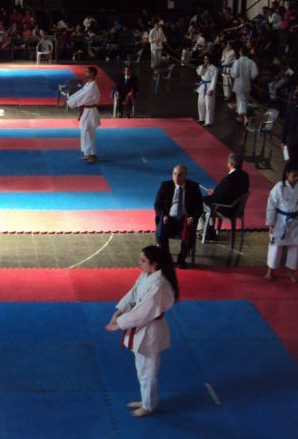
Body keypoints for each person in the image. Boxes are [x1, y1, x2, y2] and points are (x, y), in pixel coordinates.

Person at [104, 245, 178, 418]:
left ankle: (149, 406)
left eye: (143, 260)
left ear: (155, 263)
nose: (139, 263)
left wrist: (119, 324)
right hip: (142, 328)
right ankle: (146, 400)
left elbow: (143, 312)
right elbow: (133, 293)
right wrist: (119, 311)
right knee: (142, 368)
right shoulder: (147, 275)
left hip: (151, 331)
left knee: (148, 371)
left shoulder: (158, 285)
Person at [265, 163, 298, 282]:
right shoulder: (279, 187)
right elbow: (271, 206)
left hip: (297, 221)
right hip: (281, 221)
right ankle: (270, 271)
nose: (297, 178)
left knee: (295, 247)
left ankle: (291, 271)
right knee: (275, 246)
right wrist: (271, 222)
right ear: (287, 174)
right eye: (294, 175)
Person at [154, 164, 203, 269]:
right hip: (168, 219)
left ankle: (181, 259)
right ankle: (167, 258)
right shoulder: (165, 186)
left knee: (189, 237)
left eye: (180, 175)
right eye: (174, 174)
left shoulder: (193, 187)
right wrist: (163, 216)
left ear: (185, 176)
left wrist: (192, 217)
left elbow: (199, 208)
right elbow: (157, 205)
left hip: (185, 220)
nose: (176, 177)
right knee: (160, 235)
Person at [200, 152, 250, 231]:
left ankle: (207, 231)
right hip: (237, 207)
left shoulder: (229, 179)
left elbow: (220, 198)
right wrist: (215, 192)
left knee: (199, 204)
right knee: (209, 202)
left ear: (231, 164)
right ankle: (210, 230)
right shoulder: (245, 175)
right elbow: (230, 192)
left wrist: (211, 196)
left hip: (227, 209)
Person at [67, 66, 101, 163]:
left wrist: (70, 102)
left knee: (89, 133)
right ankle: (87, 153)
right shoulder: (89, 84)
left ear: (92, 74)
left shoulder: (92, 86)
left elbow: (82, 96)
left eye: (88, 72)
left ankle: (93, 155)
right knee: (84, 132)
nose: (86, 73)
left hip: (90, 112)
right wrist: (70, 98)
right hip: (86, 111)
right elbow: (80, 93)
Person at [230, 46, 258, 124]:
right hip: (247, 84)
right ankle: (242, 117)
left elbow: (235, 74)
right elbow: (255, 74)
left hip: (239, 84)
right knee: (244, 101)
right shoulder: (251, 62)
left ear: (241, 52)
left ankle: (244, 117)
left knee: (240, 101)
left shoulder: (237, 62)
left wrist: (232, 75)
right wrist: (250, 77)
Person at [196, 55, 218, 127]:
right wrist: (203, 66)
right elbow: (199, 73)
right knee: (200, 103)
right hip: (202, 86)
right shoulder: (202, 66)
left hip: (209, 86)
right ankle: (201, 118)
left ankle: (209, 121)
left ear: (210, 59)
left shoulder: (214, 68)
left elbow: (214, 79)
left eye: (206, 59)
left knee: (209, 104)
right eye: (204, 59)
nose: (205, 60)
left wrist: (211, 89)